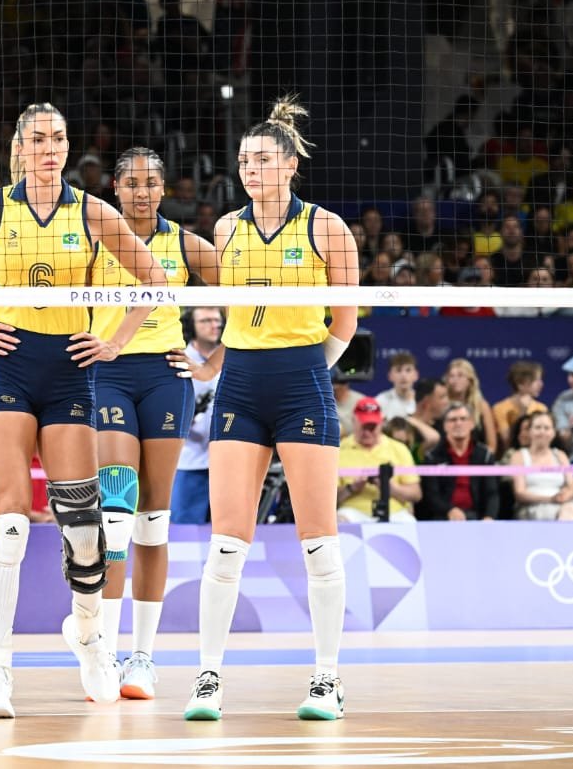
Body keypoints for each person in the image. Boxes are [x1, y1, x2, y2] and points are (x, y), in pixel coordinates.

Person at [0, 102, 168, 718]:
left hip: (71, 368)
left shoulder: (93, 212)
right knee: (12, 520)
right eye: (39, 139)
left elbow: (156, 279)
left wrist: (116, 341)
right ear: (19, 148)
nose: (50, 148)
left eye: (59, 138)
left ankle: (87, 636)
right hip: (11, 364)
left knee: (84, 530)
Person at [172, 97, 358, 722]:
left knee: (318, 542)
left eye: (262, 159)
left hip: (303, 378)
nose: (251, 169)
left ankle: (326, 680)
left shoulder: (328, 228)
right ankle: (207, 678)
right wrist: (220, 366)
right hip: (242, 385)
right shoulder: (226, 229)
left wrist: (307, 368)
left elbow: (347, 320)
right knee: (228, 542)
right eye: (244, 160)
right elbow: (229, 322)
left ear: (289, 164)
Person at [89, 147, 219, 699]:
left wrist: (211, 363)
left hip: (167, 378)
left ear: (163, 189)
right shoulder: (93, 237)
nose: (142, 191)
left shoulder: (185, 244)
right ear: (115, 188)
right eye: (132, 183)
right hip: (107, 374)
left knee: (152, 521)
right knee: (115, 510)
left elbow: (248, 296)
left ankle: (141, 659)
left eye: (151, 183)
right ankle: (104, 652)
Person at [171, 307, 224, 524]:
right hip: (190, 459)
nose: (214, 326)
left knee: (227, 531)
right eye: (206, 321)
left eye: (218, 321)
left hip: (226, 458)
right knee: (185, 531)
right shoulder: (179, 358)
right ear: (191, 325)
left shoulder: (234, 355)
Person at [335, 398, 421, 523]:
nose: (367, 432)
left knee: (409, 522)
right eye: (364, 426)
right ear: (354, 421)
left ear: (381, 423)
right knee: (338, 521)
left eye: (372, 427)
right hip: (353, 511)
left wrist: (388, 487)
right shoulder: (339, 450)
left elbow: (416, 494)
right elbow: (327, 499)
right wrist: (351, 488)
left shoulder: (399, 448)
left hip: (395, 511)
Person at [418, 402, 499, 521]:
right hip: (444, 517)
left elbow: (492, 492)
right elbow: (432, 495)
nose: (458, 424)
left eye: (463, 419)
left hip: (477, 517)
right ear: (445, 426)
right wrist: (449, 510)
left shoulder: (485, 456)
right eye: (453, 420)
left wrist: (489, 517)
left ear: (471, 424)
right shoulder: (432, 457)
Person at [510, 411, 573, 520]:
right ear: (530, 431)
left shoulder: (560, 455)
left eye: (547, 428)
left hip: (562, 506)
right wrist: (550, 499)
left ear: (553, 432)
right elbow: (519, 493)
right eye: (538, 427)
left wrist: (566, 495)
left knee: (570, 510)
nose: (542, 432)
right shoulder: (519, 456)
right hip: (532, 507)